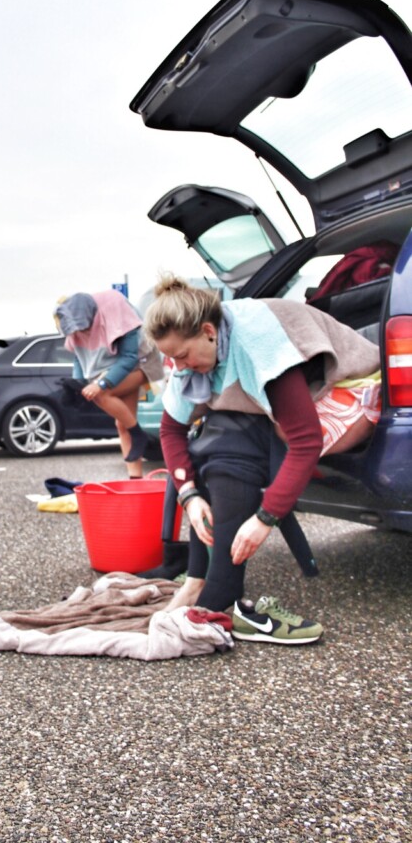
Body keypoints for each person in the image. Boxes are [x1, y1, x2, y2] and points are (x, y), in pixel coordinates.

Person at [143, 274, 382, 645]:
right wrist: (190, 497)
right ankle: (198, 581)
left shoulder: (258, 345)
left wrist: (264, 518)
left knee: (235, 442)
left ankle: (219, 598)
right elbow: (171, 431)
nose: (180, 367)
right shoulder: (192, 359)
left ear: (208, 331)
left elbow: (305, 441)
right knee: (212, 436)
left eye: (183, 356)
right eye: (171, 359)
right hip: (282, 410)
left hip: (352, 391)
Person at [54, 290, 164, 477]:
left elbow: (129, 358)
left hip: (140, 362)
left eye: (84, 329)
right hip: (117, 367)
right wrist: (77, 384)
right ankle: (135, 480)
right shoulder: (73, 318)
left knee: (101, 394)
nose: (81, 333)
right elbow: (79, 358)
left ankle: (139, 435)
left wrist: (101, 384)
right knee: (122, 424)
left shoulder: (116, 309)